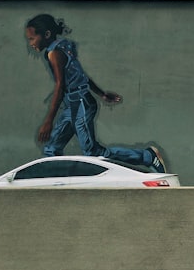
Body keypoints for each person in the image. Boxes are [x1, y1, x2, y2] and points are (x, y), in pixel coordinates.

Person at [24, 14, 167, 172]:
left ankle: (147, 157)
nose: (30, 43)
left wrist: (49, 121)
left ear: (46, 34)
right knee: (51, 149)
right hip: (74, 104)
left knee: (93, 152)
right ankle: (56, 184)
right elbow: (80, 75)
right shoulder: (62, 47)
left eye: (32, 38)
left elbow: (60, 85)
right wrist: (102, 94)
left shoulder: (55, 54)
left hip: (80, 104)